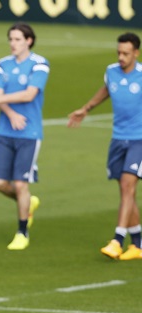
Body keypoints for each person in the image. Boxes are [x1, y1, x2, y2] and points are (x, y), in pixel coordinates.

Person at [68, 33, 142, 261]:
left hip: (139, 139)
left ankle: (117, 240)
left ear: (136, 54)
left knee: (128, 185)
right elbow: (107, 89)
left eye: (126, 54)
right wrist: (86, 108)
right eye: (119, 52)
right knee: (125, 191)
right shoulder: (111, 71)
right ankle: (138, 245)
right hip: (118, 138)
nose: (121, 57)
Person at [0, 23, 48, 251]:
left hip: (29, 132)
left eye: (17, 39)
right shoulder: (3, 64)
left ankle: (22, 231)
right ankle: (28, 203)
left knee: (20, 184)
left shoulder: (39, 64)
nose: (13, 43)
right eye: (11, 39)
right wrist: (10, 113)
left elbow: (29, 94)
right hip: (6, 131)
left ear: (29, 41)